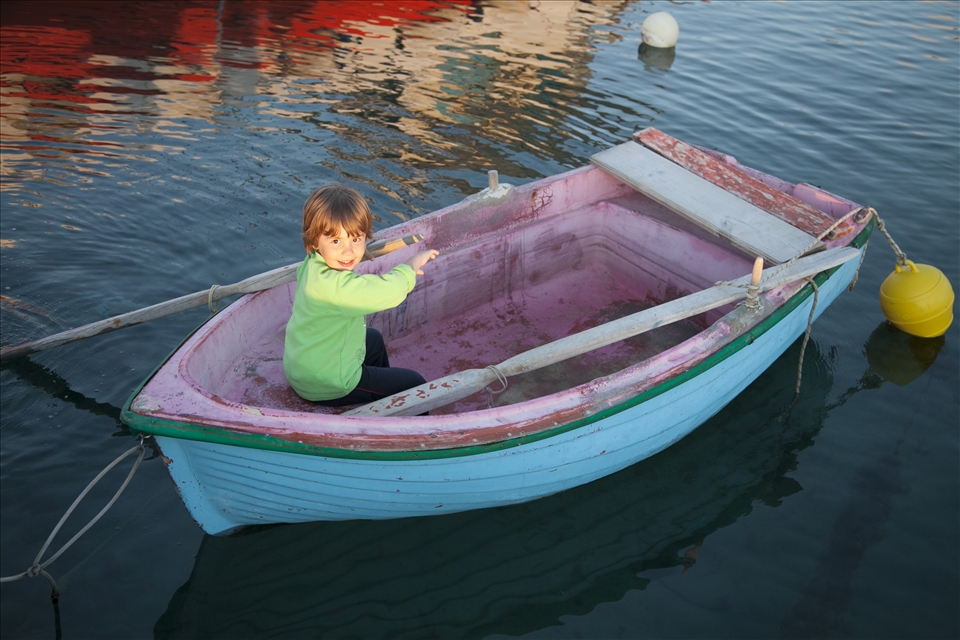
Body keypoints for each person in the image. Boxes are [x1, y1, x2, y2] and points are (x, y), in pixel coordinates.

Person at [282, 183, 438, 407]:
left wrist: (352, 247)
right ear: (315, 241)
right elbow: (386, 292)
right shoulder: (338, 287)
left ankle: (381, 399)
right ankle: (409, 429)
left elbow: (342, 252)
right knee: (414, 384)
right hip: (327, 382)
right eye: (336, 241)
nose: (348, 251)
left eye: (356, 239)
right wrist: (409, 268)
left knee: (372, 339)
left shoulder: (312, 263)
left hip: (304, 364)